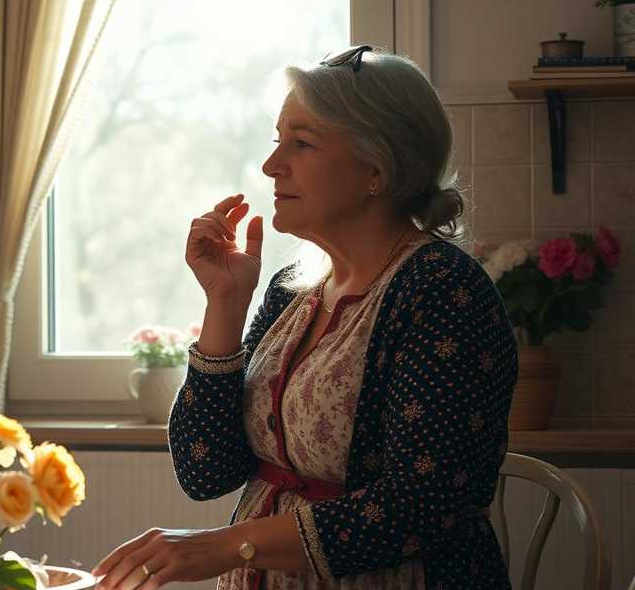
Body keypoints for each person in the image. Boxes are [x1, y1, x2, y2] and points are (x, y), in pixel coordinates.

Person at [92, 47, 517, 590]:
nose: (272, 165)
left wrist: (227, 545)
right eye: (277, 140)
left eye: (303, 143)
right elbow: (206, 470)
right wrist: (225, 303)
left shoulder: (441, 290)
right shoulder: (294, 289)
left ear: (377, 168)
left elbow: (418, 507)